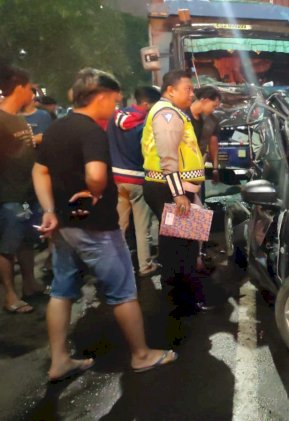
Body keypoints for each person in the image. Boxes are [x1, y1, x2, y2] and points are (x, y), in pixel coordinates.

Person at [33, 68, 177, 381]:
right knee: (123, 291)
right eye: (113, 99)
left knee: (61, 291)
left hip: (63, 227)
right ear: (100, 96)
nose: (115, 106)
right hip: (96, 227)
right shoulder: (91, 131)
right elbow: (97, 175)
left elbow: (39, 171)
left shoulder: (58, 128)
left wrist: (49, 209)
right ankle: (141, 354)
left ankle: (59, 360)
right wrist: (94, 191)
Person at [142, 70, 208, 315]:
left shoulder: (170, 112)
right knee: (181, 247)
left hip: (171, 188)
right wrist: (179, 194)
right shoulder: (167, 114)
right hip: (170, 189)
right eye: (187, 89)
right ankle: (182, 301)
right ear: (170, 90)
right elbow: (167, 156)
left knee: (178, 244)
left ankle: (179, 297)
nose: (192, 94)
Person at [0, 65, 45, 314]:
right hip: (10, 197)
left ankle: (30, 284)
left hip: (28, 195)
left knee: (27, 241)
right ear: (19, 88)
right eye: (30, 88)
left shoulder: (18, 118)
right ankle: (10, 295)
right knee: (7, 247)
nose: (33, 93)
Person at [107, 86, 161, 278]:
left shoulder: (113, 119)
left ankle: (120, 265)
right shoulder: (146, 124)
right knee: (141, 227)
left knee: (120, 226)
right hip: (137, 179)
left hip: (117, 178)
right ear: (146, 103)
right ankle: (145, 265)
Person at [188, 86, 222, 187]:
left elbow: (213, 143)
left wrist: (215, 168)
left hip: (196, 168)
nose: (214, 110)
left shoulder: (209, 121)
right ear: (205, 100)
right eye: (214, 106)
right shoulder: (183, 116)